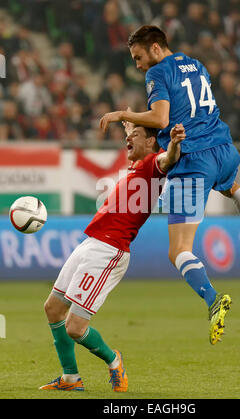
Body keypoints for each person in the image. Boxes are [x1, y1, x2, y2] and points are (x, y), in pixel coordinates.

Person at [99, 25, 240, 346]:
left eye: (138, 57)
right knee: (231, 186)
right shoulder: (196, 64)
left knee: (178, 250)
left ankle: (212, 299)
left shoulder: (157, 74)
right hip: (224, 147)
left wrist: (123, 113)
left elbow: (162, 119)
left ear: (154, 48)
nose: (137, 65)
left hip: (194, 159)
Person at [39, 122, 186, 392]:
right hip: (91, 242)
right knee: (52, 308)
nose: (127, 139)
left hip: (110, 250)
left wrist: (174, 143)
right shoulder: (138, 166)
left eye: (135, 136)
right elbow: (145, 140)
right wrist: (131, 123)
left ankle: (113, 359)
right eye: (127, 136)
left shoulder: (153, 164)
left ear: (152, 142)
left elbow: (168, 159)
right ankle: (71, 379)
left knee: (74, 326)